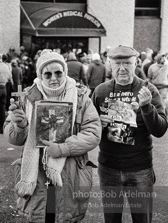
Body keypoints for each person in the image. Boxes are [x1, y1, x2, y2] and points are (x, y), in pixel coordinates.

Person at [3, 49, 101, 223]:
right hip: (38, 174)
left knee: (63, 217)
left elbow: (93, 132)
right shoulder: (26, 97)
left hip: (69, 173)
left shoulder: (81, 97)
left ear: (65, 72)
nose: (53, 78)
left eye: (58, 73)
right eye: (47, 74)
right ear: (40, 75)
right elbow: (13, 139)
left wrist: (63, 148)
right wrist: (20, 125)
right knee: (44, 216)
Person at [91, 45, 168, 223]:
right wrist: (98, 125)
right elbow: (87, 128)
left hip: (140, 168)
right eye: (117, 64)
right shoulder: (101, 91)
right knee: (111, 219)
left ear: (136, 64)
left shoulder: (148, 89)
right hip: (108, 167)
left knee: (142, 219)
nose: (122, 68)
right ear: (109, 65)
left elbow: (160, 130)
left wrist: (147, 107)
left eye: (127, 63)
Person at [0, 53, 13, 133]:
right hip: (4, 88)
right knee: (2, 108)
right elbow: (10, 78)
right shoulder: (6, 66)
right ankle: (2, 127)